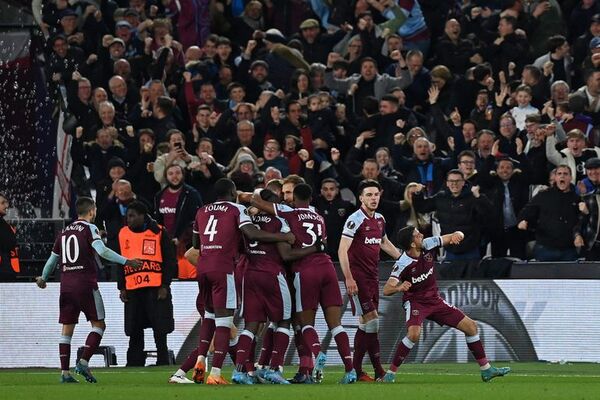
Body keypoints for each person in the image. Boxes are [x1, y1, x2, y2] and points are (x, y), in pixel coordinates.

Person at [189, 178, 294, 385]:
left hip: (203, 268)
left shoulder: (202, 211)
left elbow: (195, 243)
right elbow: (251, 232)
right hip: (224, 268)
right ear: (233, 191)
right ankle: (217, 373)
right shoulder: (237, 209)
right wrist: (283, 238)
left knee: (209, 315)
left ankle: (201, 360)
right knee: (225, 322)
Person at [251, 183, 357, 384]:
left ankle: (318, 354)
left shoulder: (288, 213)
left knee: (304, 323)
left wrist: (252, 199)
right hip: (328, 267)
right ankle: (350, 370)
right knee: (336, 325)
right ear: (311, 198)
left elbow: (258, 202)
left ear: (294, 199)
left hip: (305, 270)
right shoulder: (319, 216)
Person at [381, 226, 511, 383]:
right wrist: (399, 287)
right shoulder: (403, 263)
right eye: (417, 235)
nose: (421, 235)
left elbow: (448, 238)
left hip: (435, 301)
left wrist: (458, 235)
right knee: (414, 334)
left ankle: (486, 370)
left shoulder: (428, 244)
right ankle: (391, 373)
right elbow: (387, 290)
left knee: (471, 327)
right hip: (416, 302)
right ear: (413, 244)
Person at [35, 197, 142, 383]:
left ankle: (64, 373)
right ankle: (83, 362)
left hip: (66, 286)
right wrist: (127, 261)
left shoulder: (63, 232)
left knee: (66, 330)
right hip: (85, 284)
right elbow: (103, 252)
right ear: (92, 211)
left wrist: (43, 278)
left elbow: (52, 261)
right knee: (99, 325)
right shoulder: (89, 228)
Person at [232, 189, 322, 385]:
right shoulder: (279, 222)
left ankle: (239, 371)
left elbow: (240, 245)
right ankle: (274, 369)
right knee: (283, 321)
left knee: (251, 325)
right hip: (273, 274)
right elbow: (286, 255)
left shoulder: (247, 220)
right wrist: (313, 248)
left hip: (250, 274)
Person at [337, 180, 401, 381]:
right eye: (369, 195)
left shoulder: (380, 219)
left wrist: (405, 260)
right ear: (361, 198)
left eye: (376, 194)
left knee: (366, 324)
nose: (374, 198)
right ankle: (378, 371)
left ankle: (356, 372)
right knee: (372, 322)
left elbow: (384, 243)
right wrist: (348, 278)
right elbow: (342, 250)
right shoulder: (355, 219)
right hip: (358, 278)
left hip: (373, 277)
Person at [116, 201, 177, 366]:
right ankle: (134, 361)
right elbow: (118, 261)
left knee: (160, 328)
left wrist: (165, 285)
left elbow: (170, 260)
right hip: (133, 288)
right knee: (134, 328)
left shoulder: (159, 232)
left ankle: (162, 359)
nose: (128, 219)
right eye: (127, 216)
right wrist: (121, 286)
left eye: (132, 216)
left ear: (142, 216)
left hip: (155, 288)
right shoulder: (122, 234)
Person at [0, 193, 19, 282]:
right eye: (3, 203)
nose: (6, 206)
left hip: (7, 272)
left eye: (6, 203)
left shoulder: (4, 224)